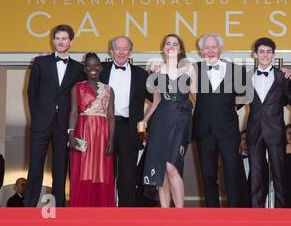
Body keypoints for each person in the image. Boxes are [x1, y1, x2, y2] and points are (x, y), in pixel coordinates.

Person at [25, 24, 84, 207]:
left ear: (71, 42)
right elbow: (31, 92)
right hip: (41, 123)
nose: (60, 42)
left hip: (64, 124)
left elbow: (80, 98)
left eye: (64, 38)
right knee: (35, 165)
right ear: (53, 40)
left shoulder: (78, 68)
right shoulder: (40, 63)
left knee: (60, 167)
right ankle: (29, 204)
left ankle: (58, 208)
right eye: (57, 38)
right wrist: (37, 117)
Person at [192, 33, 249, 207]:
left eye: (214, 47)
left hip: (228, 130)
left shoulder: (237, 70)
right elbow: (171, 79)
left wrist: (231, 108)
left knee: (232, 173)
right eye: (207, 47)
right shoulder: (193, 69)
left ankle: (233, 213)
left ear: (220, 48)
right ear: (201, 51)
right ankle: (212, 213)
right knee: (208, 175)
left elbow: (245, 95)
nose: (210, 51)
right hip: (203, 129)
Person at [140, 34, 195, 208]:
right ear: (163, 48)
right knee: (161, 168)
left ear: (180, 49)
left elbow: (196, 99)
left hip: (181, 119)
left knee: (172, 166)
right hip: (160, 120)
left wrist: (195, 123)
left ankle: (179, 212)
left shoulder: (188, 68)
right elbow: (156, 101)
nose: (171, 46)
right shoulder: (156, 70)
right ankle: (165, 213)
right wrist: (145, 120)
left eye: (175, 44)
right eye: (168, 43)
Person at [99, 36, 153, 207]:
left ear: (130, 52)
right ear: (111, 51)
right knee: (104, 174)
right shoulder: (100, 70)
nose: (121, 52)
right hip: (104, 128)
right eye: (118, 48)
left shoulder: (141, 74)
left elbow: (157, 99)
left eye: (125, 49)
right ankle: (103, 215)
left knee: (128, 177)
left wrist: (147, 123)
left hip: (129, 129)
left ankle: (126, 217)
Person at [246, 37, 291, 208]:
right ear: (255, 54)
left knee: (279, 173)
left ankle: (281, 213)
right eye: (261, 52)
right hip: (254, 130)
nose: (265, 55)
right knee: (256, 174)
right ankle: (256, 213)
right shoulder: (246, 77)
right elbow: (234, 103)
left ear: (273, 54)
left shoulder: (283, 76)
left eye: (268, 52)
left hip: (275, 130)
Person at [68, 52, 115, 206]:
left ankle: (101, 211)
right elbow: (74, 112)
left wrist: (111, 140)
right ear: (85, 68)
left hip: (102, 135)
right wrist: (71, 135)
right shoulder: (78, 87)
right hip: (84, 131)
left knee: (101, 172)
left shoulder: (109, 90)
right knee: (84, 170)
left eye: (95, 65)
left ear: (101, 67)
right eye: (89, 65)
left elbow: (111, 116)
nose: (92, 68)